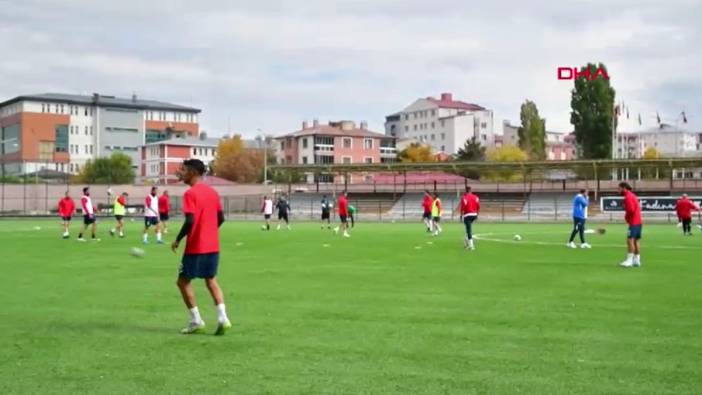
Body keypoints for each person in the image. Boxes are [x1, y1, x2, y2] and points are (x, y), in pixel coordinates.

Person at [171, 159, 231, 335]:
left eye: (183, 170)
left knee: (182, 282)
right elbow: (221, 218)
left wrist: (178, 239)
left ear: (192, 172)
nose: (181, 173)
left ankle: (196, 320)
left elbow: (190, 220)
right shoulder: (212, 192)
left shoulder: (190, 194)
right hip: (212, 246)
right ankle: (223, 318)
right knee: (211, 280)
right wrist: (209, 231)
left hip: (196, 247)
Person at [619, 182, 642, 268]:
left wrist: (626, 217)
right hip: (638, 221)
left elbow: (631, 210)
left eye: (619, 188)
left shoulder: (628, 197)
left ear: (624, 188)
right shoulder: (633, 195)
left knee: (630, 240)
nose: (618, 190)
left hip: (633, 222)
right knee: (636, 241)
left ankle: (629, 261)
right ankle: (637, 260)